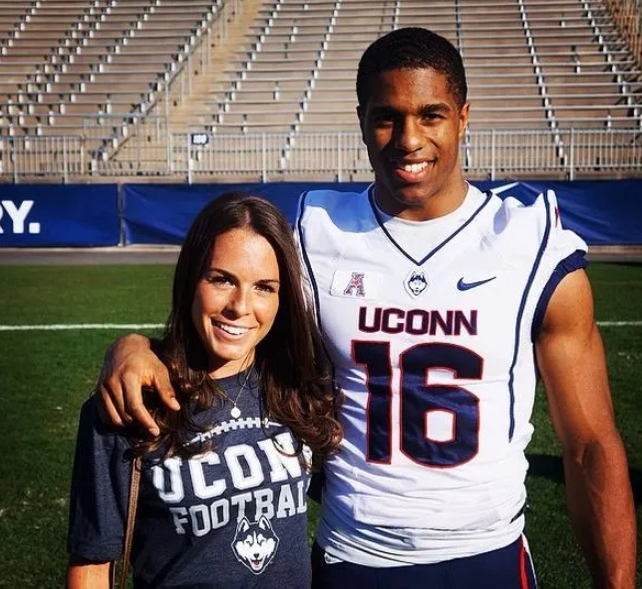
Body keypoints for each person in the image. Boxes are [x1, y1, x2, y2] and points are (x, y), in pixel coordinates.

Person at [95, 28, 637, 589]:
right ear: (361, 120)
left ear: (463, 117)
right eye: (387, 117)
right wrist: (133, 347)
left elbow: (591, 443)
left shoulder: (530, 244)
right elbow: (231, 325)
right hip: (355, 555)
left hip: (487, 553)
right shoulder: (314, 235)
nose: (409, 139)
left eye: (431, 115)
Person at [66, 192, 343, 589]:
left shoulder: (297, 383)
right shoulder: (129, 402)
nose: (240, 306)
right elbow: (91, 567)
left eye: (264, 287)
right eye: (222, 279)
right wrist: (130, 346)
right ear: (190, 278)